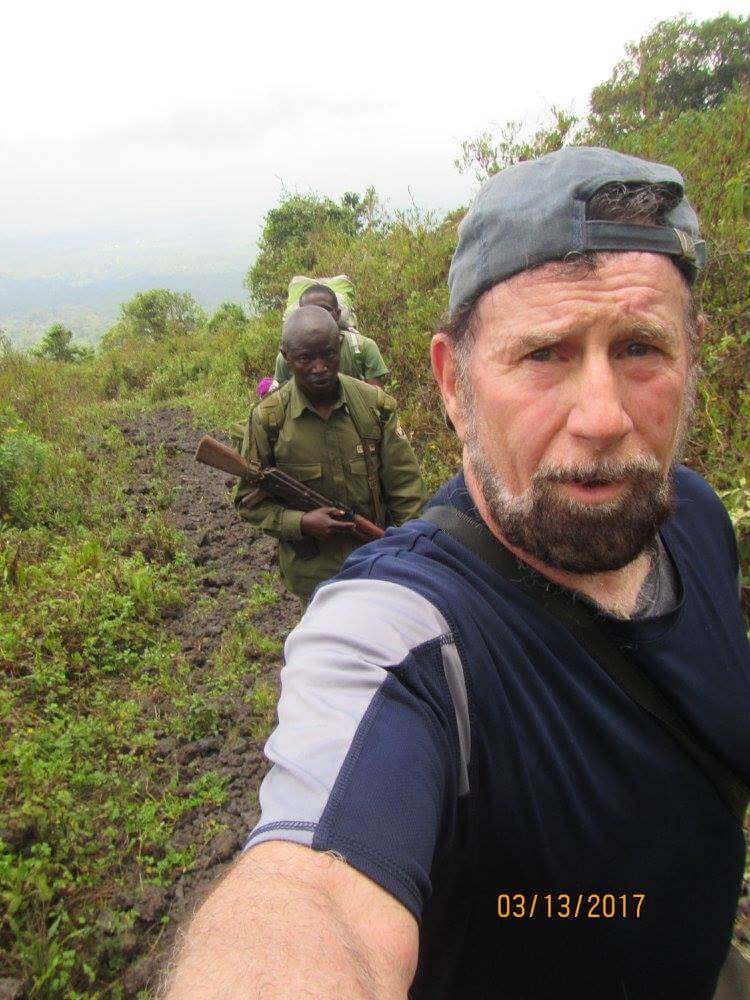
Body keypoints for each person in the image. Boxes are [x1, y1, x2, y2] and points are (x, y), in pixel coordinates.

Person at [166, 148, 750, 999]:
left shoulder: (694, 516)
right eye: (543, 353)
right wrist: (312, 528)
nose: (602, 417)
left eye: (640, 347)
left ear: (691, 355)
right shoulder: (395, 640)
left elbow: (402, 486)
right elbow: (312, 897)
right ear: (453, 382)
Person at [233, 304, 426, 602]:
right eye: (305, 358)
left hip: (377, 565)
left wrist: (409, 554)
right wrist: (301, 522)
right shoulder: (269, 420)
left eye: (328, 354)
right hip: (314, 578)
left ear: (340, 346)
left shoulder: (374, 407)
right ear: (286, 357)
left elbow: (407, 492)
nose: (319, 367)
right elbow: (248, 503)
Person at [272, 282, 389, 388]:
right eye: (311, 310)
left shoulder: (363, 347)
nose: (318, 315)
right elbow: (283, 396)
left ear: (337, 314)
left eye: (325, 309)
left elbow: (375, 399)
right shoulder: (288, 356)